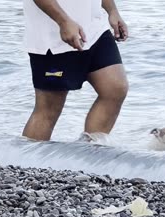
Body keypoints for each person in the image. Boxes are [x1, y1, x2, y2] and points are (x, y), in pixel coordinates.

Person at [22, 0, 129, 141]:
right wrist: (63, 21)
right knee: (49, 109)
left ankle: (89, 153)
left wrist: (112, 11)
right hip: (54, 37)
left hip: (95, 30)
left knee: (115, 88)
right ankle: (25, 160)